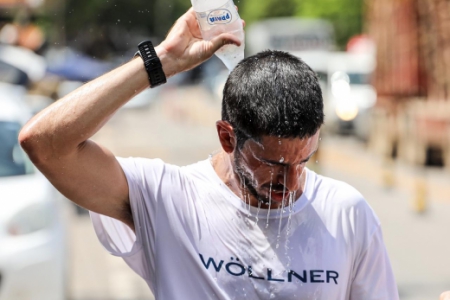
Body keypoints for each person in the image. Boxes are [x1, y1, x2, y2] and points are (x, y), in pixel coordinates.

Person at [19, 8, 399, 300]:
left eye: (304, 160)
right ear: (227, 137)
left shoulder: (346, 213)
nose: (292, 182)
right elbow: (45, 144)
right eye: (273, 164)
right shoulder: (167, 197)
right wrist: (161, 62)